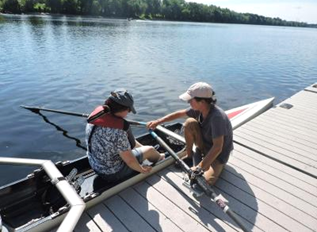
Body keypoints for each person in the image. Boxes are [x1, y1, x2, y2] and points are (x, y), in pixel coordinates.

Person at [147, 82, 233, 185]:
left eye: (190, 100)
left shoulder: (217, 118)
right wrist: (158, 122)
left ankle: (211, 165)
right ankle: (189, 155)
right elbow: (179, 114)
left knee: (204, 182)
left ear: (201, 101)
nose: (188, 102)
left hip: (218, 155)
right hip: (206, 145)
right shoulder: (200, 109)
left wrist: (199, 168)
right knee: (189, 123)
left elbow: (218, 148)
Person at [86, 89, 164, 183]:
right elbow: (130, 161)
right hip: (112, 173)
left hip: (95, 164)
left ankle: (146, 151)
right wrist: (141, 169)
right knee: (151, 150)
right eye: (129, 110)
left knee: (140, 148)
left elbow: (125, 142)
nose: (129, 112)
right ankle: (162, 158)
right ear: (124, 109)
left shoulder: (95, 118)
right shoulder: (118, 132)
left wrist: (142, 149)